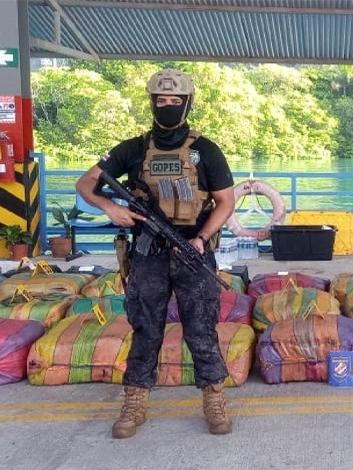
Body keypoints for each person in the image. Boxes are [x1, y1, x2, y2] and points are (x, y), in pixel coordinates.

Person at [76, 68, 236, 437]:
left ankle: (214, 400)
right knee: (146, 328)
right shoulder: (132, 149)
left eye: (174, 101)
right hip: (148, 252)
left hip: (193, 253)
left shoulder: (205, 150)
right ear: (152, 103)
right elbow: (85, 182)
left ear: (186, 104)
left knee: (201, 330)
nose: (167, 106)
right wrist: (108, 207)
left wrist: (202, 238)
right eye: (160, 100)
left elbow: (226, 202)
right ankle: (134, 403)